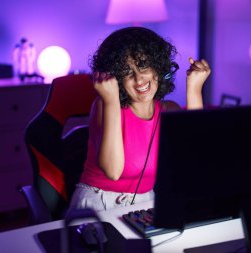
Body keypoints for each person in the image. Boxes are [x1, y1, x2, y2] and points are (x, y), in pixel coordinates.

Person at [69, 27, 210, 211]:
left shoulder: (169, 111)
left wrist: (194, 88)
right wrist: (110, 99)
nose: (139, 78)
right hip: (97, 204)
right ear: (117, 79)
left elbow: (193, 159)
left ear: (157, 67)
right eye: (127, 71)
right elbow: (113, 171)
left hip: (147, 204)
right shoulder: (104, 105)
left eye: (143, 65)